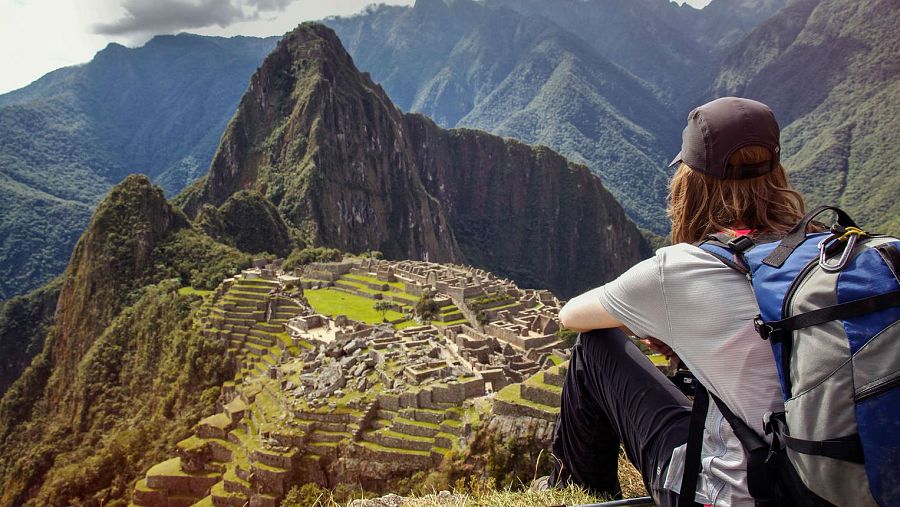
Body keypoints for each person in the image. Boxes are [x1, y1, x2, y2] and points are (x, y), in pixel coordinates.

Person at [550, 97, 807, 507]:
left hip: (738, 495)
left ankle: (581, 493)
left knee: (595, 347)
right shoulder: (836, 254)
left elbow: (572, 316)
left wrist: (660, 321)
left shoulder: (681, 270)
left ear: (690, 183)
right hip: (841, 484)